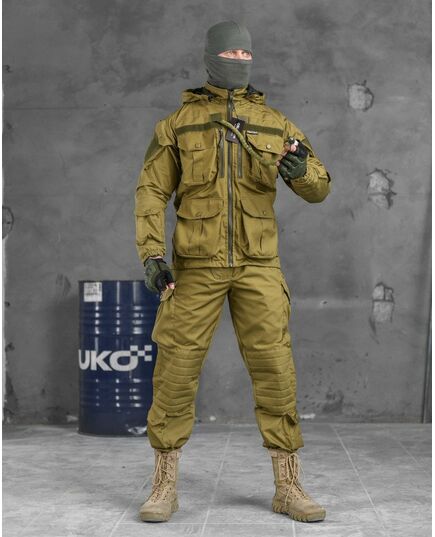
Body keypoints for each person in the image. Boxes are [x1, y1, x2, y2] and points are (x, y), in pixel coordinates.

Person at [134, 20, 332, 524]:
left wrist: (301, 172)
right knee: (175, 371)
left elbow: (319, 187)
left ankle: (288, 485)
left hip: (258, 265)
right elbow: (151, 191)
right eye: (230, 52)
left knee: (276, 370)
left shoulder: (275, 124)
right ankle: (163, 485)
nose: (239, 60)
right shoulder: (179, 124)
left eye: (246, 52)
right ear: (210, 57)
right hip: (193, 269)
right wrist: (152, 255)